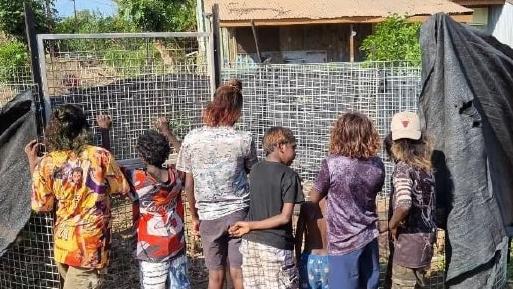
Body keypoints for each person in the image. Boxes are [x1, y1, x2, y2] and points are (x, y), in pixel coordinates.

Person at [25, 104, 130, 289]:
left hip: (64, 245)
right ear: (83, 128)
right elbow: (121, 188)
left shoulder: (48, 162)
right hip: (90, 245)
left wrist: (33, 164)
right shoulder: (100, 156)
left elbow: (42, 205)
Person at [176, 80, 257, 289]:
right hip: (238, 212)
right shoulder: (244, 139)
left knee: (215, 276)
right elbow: (253, 173)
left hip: (208, 216)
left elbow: (188, 183)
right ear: (236, 109)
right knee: (239, 274)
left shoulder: (192, 138)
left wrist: (194, 216)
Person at [96, 115, 190, 289]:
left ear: (141, 156)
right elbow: (185, 156)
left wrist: (104, 131)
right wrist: (166, 131)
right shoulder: (177, 175)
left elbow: (106, 166)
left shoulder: (136, 179)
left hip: (151, 249)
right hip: (177, 243)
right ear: (166, 153)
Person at [308, 112, 385, 289]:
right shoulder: (377, 165)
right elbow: (375, 191)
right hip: (369, 236)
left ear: (340, 134)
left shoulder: (332, 164)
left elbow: (314, 197)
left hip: (343, 243)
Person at [229, 126, 304, 289]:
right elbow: (285, 217)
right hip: (276, 246)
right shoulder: (289, 175)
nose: (295, 153)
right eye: (293, 147)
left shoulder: (255, 170)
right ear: (281, 146)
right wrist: (250, 225)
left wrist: (250, 227)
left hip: (251, 245)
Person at [385, 112, 436, 289]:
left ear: (393, 140)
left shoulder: (402, 168)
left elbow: (404, 204)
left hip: (408, 245)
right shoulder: (426, 168)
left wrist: (392, 224)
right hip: (426, 242)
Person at [295, 198, 328, 289]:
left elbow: (299, 236)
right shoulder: (335, 204)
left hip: (309, 259)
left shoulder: (306, 206)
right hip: (329, 258)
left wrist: (298, 259)